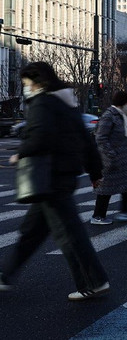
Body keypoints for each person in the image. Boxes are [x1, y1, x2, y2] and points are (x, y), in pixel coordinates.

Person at [0, 62, 110, 300]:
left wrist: (20, 153)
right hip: (62, 176)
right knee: (32, 232)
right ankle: (5, 275)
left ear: (36, 82)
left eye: (26, 83)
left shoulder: (43, 103)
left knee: (69, 234)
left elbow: (40, 137)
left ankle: (94, 281)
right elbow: (86, 140)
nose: (25, 88)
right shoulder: (67, 104)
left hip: (50, 178)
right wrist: (95, 172)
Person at [91, 91, 127, 224]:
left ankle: (125, 211)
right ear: (122, 103)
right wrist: (111, 155)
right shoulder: (109, 116)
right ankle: (98, 216)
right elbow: (100, 138)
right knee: (105, 189)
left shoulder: (120, 116)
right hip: (110, 160)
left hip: (121, 160)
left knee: (126, 187)